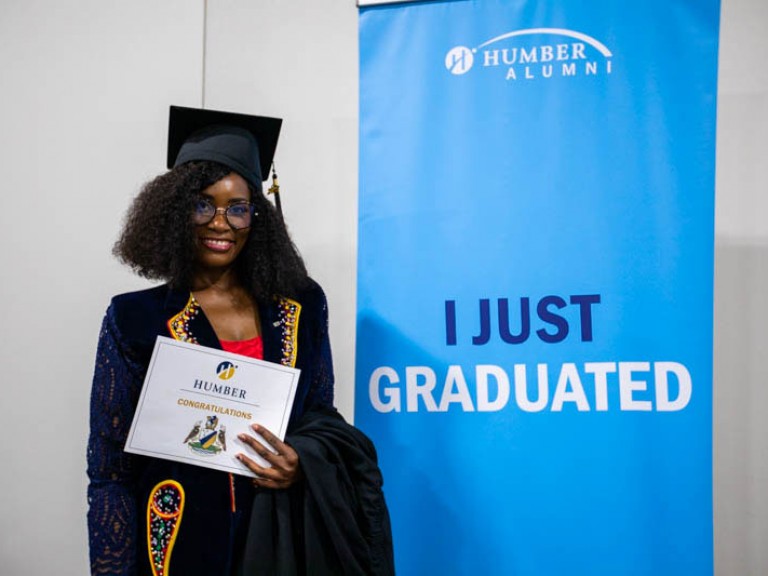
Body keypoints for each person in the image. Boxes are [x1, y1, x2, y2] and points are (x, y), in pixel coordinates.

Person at [87, 106, 394, 576]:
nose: (220, 223)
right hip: (176, 540)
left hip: (279, 537)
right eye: (202, 204)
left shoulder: (300, 305)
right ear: (173, 212)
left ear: (258, 217)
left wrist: (301, 462)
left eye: (238, 208)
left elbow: (319, 416)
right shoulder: (134, 317)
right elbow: (110, 470)